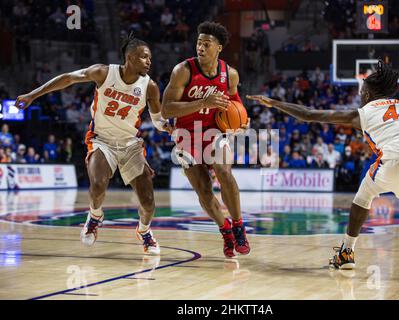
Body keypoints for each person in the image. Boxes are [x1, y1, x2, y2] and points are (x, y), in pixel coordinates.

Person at [248, 60, 399, 269]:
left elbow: (309, 114)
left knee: (364, 195)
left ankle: (346, 252)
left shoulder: (362, 112)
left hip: (395, 158)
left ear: (368, 95)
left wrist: (275, 103)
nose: (361, 95)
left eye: (362, 92)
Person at [15, 33, 172, 255]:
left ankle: (144, 231)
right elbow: (68, 78)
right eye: (144, 57)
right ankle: (95, 215)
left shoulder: (151, 87)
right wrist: (33, 94)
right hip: (101, 140)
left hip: (130, 144)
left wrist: (167, 126)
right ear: (130, 57)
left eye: (150, 58)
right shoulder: (104, 72)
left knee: (148, 202)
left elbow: (157, 120)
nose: (149, 61)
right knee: (98, 184)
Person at [161, 21, 251, 258]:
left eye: (206, 44)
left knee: (224, 171)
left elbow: (235, 101)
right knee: (203, 191)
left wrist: (242, 119)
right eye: (199, 43)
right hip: (186, 135)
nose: (200, 48)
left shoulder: (229, 73)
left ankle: (239, 225)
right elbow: (166, 110)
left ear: (219, 48)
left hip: (214, 132)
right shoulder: (183, 70)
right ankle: (225, 229)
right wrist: (202, 103)